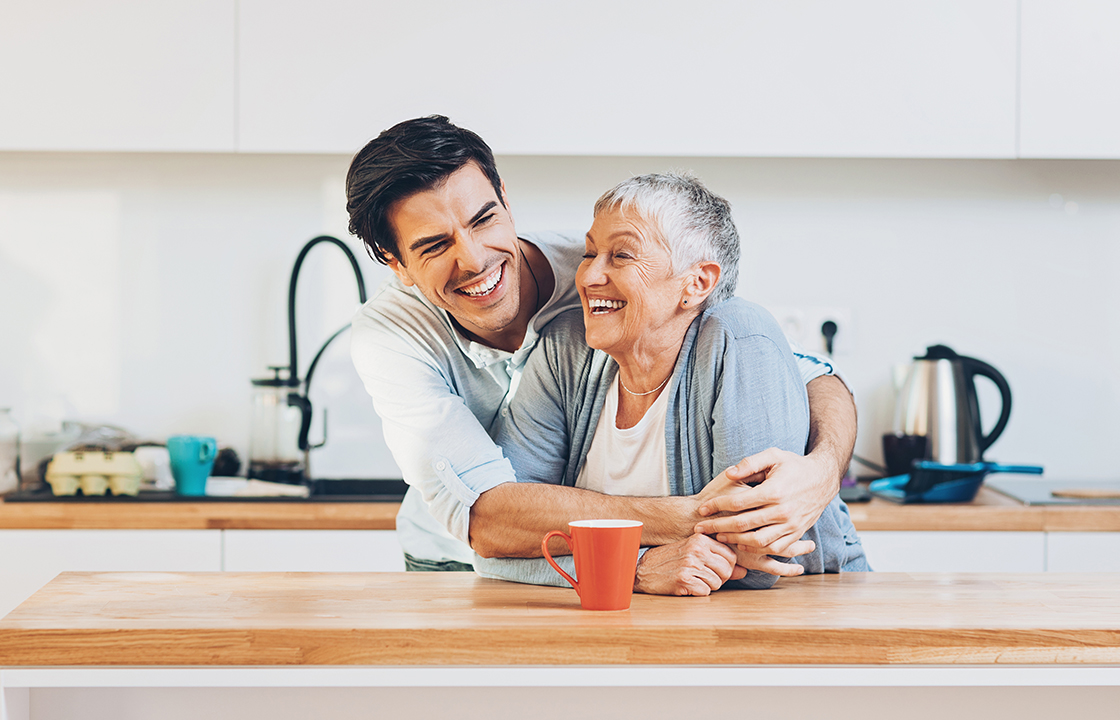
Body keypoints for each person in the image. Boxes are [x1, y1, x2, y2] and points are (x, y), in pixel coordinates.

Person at [347, 116, 859, 587]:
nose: (474, 259)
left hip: (594, 564)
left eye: (484, 219)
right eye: (435, 245)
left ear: (504, 197)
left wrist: (824, 469)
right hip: (457, 556)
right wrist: (684, 528)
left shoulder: (598, 271)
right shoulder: (392, 337)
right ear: (395, 261)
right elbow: (491, 526)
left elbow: (809, 374)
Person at [475, 173, 867, 592]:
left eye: (621, 255)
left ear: (696, 283)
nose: (588, 277)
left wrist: (582, 546)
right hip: (630, 621)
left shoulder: (739, 337)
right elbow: (499, 538)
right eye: (590, 254)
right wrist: (637, 568)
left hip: (802, 615)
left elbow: (753, 559)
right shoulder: (565, 348)